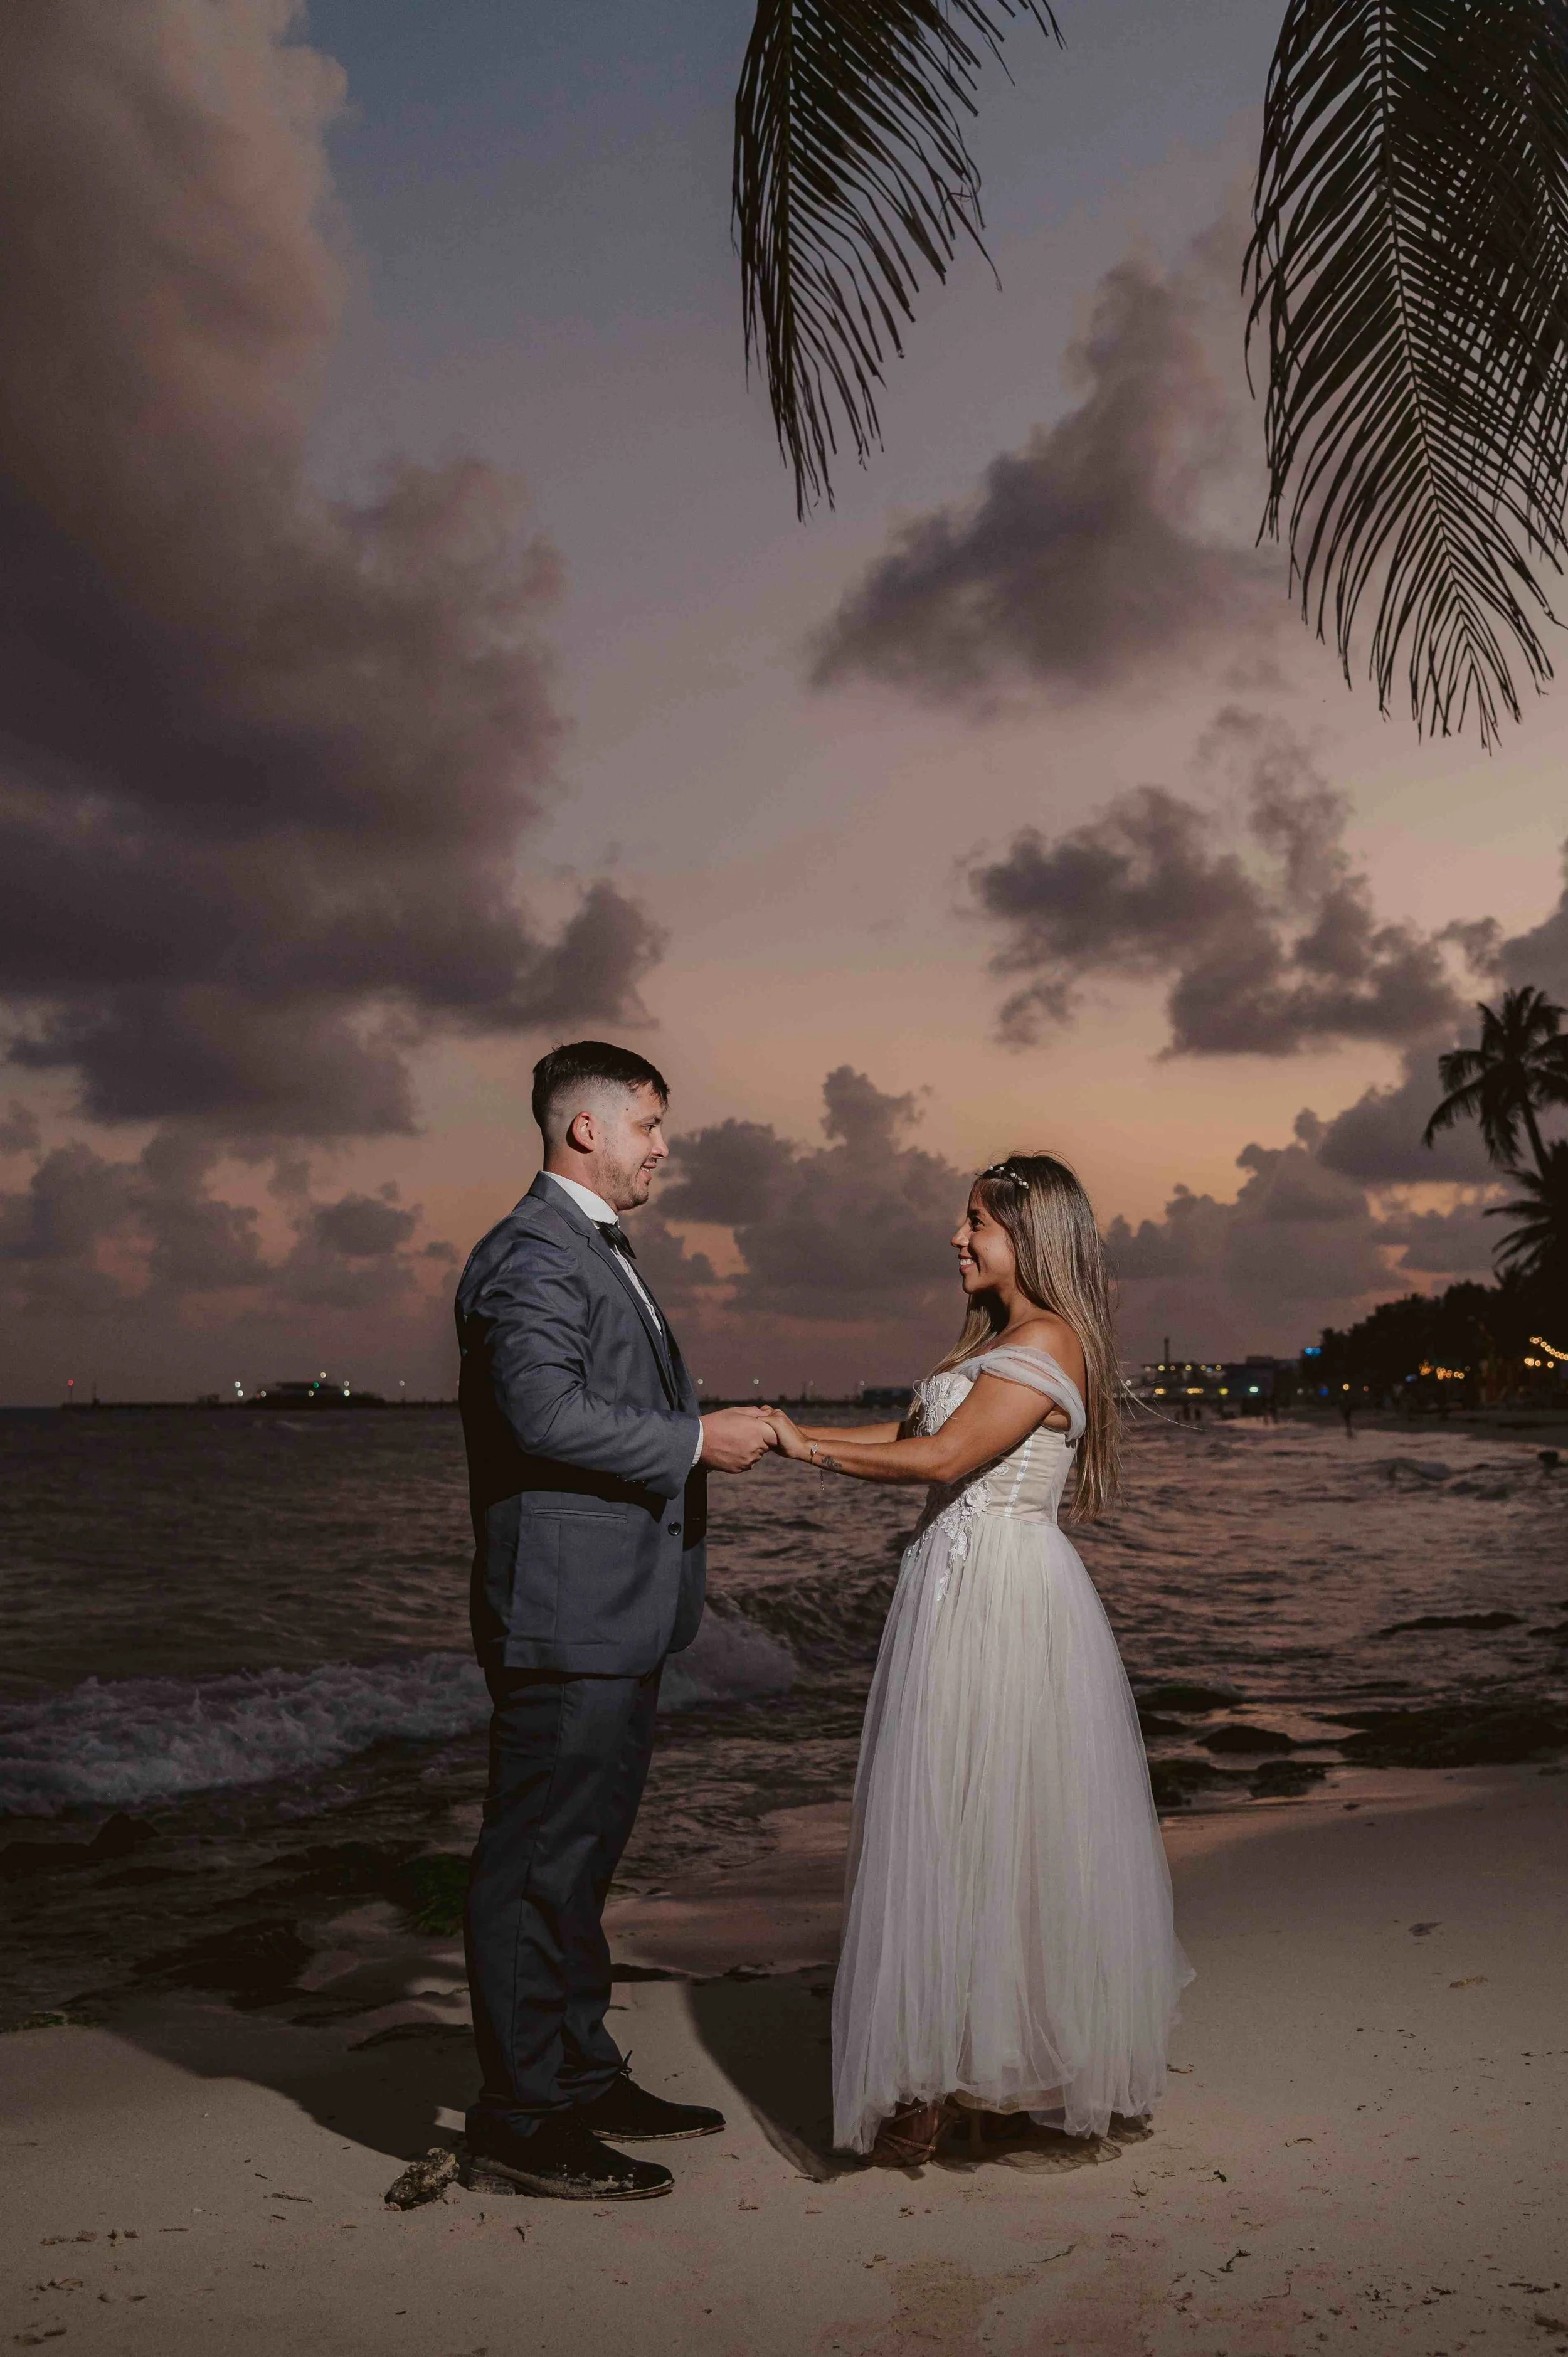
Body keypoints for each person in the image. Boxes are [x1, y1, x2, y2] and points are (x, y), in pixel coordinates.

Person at [765, 1154, 1192, 2165]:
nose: (957, 1239)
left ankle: (976, 2071)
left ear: (1029, 1237)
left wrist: (801, 1447)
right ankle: (949, 2068)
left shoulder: (1050, 1341)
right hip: (954, 1595)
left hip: (1003, 1599)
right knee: (948, 1823)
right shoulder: (1001, 1341)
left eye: (975, 1224)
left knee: (997, 1821)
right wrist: (792, 1434)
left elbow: (944, 1459)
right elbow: (914, 1429)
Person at [454, 1041, 774, 2201]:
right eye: (650, 1126)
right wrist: (698, 1439)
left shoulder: (588, 1248)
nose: (662, 1148)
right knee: (537, 1862)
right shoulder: (532, 1253)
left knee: (577, 1859)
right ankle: (518, 2120)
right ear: (584, 1128)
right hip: (565, 1617)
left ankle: (578, 2072)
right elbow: (541, 1413)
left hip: (615, 1613)